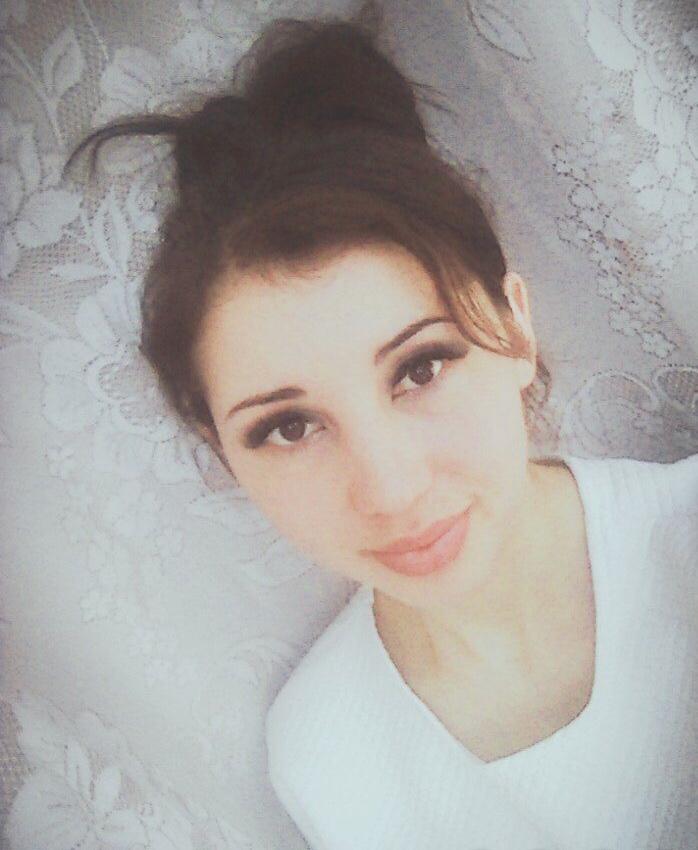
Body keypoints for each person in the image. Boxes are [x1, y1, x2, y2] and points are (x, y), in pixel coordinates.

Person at [64, 2, 698, 848]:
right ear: (223, 453)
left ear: (514, 328)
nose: (392, 490)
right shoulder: (324, 753)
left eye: (421, 368)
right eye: (289, 427)